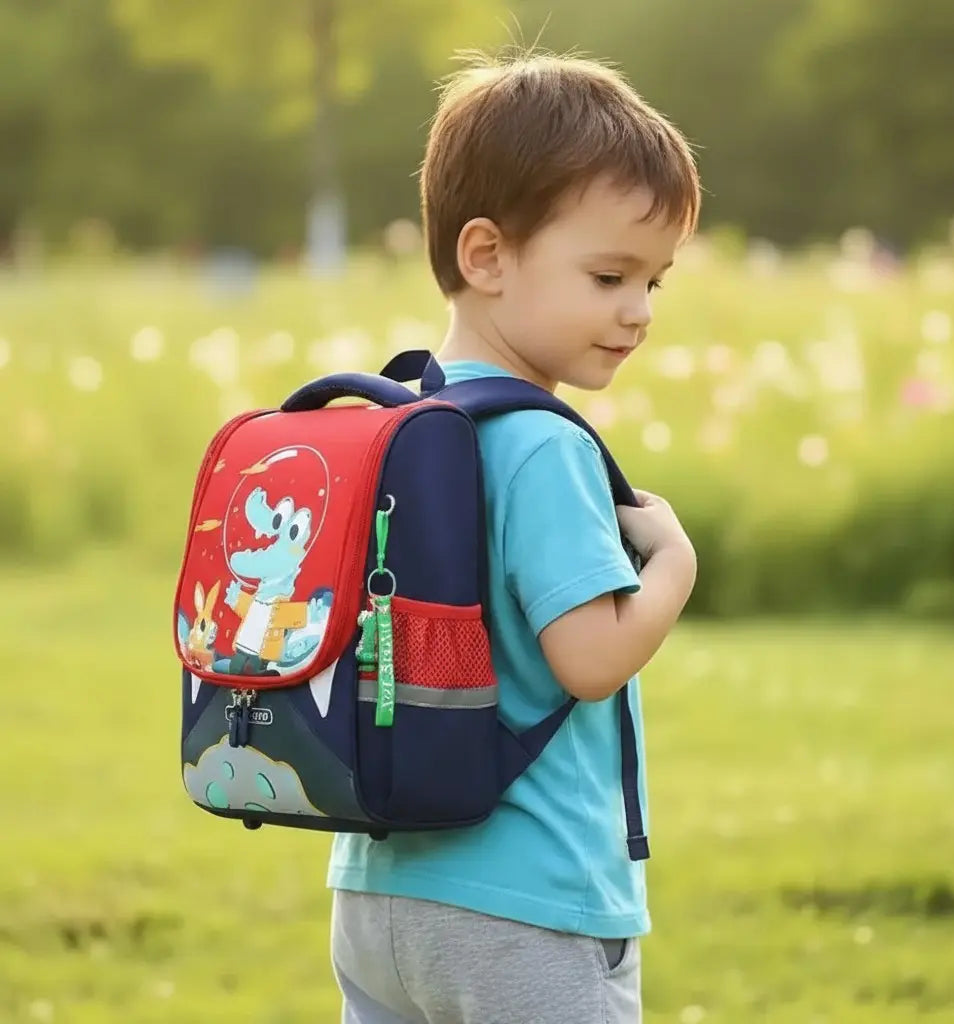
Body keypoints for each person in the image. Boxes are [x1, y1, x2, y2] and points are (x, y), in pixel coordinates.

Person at [328, 49, 701, 1024]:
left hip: (376, 890)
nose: (638, 311)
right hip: (525, 904)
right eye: (611, 273)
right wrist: (672, 565)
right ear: (486, 256)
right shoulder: (541, 444)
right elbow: (588, 657)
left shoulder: (397, 421)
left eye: (656, 282)